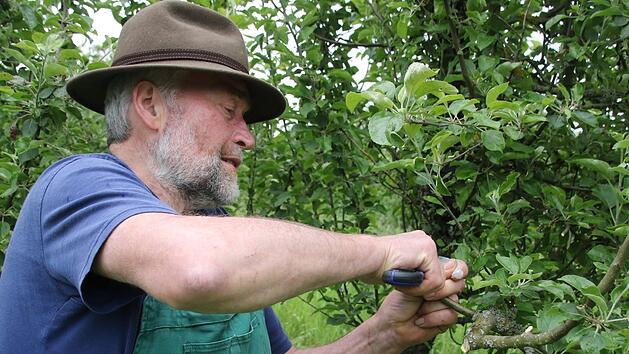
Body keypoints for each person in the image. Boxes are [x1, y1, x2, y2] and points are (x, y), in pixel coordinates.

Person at [0, 1, 468, 353]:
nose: (249, 138)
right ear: (150, 105)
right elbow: (198, 271)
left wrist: (382, 334)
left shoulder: (213, 227)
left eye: (245, 118)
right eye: (229, 111)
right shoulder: (78, 186)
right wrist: (382, 251)